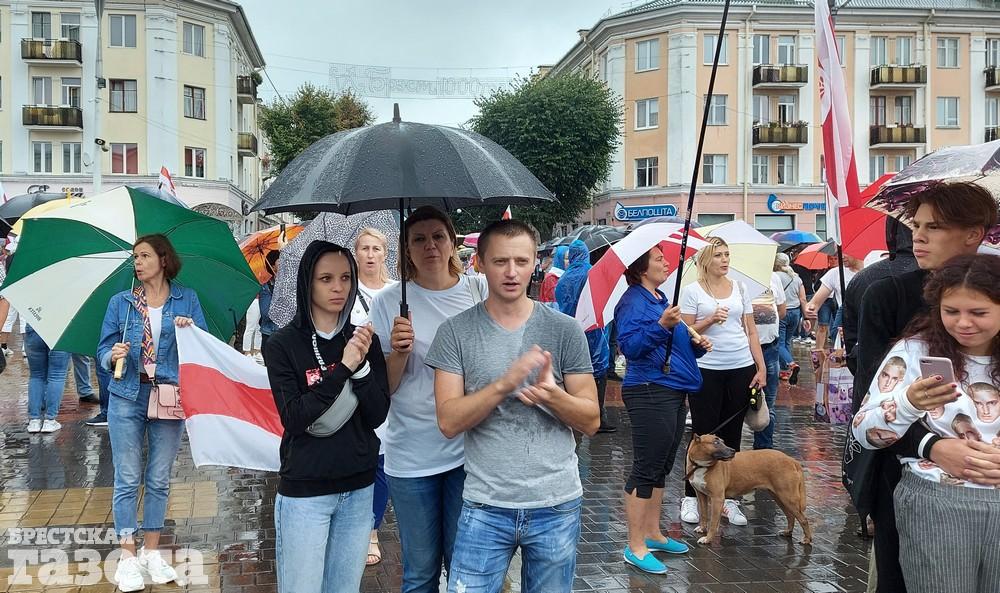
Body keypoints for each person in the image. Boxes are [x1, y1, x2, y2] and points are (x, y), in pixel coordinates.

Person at [426, 219, 599, 593]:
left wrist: (552, 396)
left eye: (521, 261)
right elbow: (448, 421)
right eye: (500, 261)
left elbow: (591, 420)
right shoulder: (455, 332)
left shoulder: (564, 329)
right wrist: (504, 385)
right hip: (485, 505)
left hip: (556, 503)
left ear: (535, 262)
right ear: (480, 263)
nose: (511, 272)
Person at [852, 181, 1000, 593]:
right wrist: (930, 445)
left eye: (933, 227)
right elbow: (868, 405)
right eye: (915, 225)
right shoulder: (893, 302)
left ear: (973, 233)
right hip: (914, 477)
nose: (916, 236)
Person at [368, 206, 488, 593]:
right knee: (419, 573)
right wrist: (398, 354)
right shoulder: (389, 302)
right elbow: (383, 390)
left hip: (469, 451)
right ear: (406, 249)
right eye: (418, 239)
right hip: (412, 454)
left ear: (452, 241)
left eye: (438, 236)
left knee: (463, 567)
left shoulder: (478, 292)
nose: (430, 246)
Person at [264, 240, 390, 593]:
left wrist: (361, 368)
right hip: (306, 492)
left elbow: (377, 414)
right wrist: (343, 368)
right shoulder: (282, 345)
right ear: (308, 282)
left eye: (346, 278)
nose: (338, 287)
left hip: (358, 489)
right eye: (326, 278)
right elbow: (294, 417)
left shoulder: (363, 339)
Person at [97, 234, 208, 592]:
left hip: (169, 393)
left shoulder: (187, 299)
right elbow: (101, 350)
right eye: (135, 257)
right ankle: (128, 557)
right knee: (128, 477)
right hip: (127, 395)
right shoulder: (122, 302)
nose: (138, 262)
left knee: (159, 477)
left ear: (163, 259)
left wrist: (191, 331)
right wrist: (112, 355)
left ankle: (151, 552)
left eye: (144, 256)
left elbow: (203, 347)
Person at [614, 245, 711, 574]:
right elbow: (631, 347)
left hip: (672, 389)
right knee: (646, 467)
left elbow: (671, 349)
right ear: (642, 268)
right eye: (658, 259)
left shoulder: (659, 299)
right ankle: (635, 546)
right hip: (648, 390)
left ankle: (653, 533)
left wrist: (697, 347)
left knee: (661, 466)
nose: (667, 263)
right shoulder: (633, 301)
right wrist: (661, 325)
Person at [678, 237, 766, 526]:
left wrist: (760, 367)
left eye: (727, 254)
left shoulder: (740, 288)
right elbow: (685, 332)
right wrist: (709, 320)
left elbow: (751, 331)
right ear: (706, 259)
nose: (725, 260)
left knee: (732, 433)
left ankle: (728, 497)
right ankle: (691, 496)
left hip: (740, 366)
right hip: (706, 367)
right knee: (703, 433)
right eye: (718, 255)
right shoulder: (692, 291)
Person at [349, 227, 399, 567]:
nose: (370, 254)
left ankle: (371, 530)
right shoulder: (346, 291)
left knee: (382, 460)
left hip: (390, 384)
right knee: (360, 456)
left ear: (385, 253)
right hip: (355, 386)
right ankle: (352, 524)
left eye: (376, 248)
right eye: (364, 248)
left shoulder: (398, 291)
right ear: (356, 253)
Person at [555, 239, 616, 433]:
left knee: (573, 373)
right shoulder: (593, 273)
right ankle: (598, 416)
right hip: (594, 332)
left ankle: (574, 414)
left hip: (571, 332)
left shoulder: (564, 278)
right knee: (598, 372)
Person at [750, 263, 786, 450]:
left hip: (770, 347)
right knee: (735, 403)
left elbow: (782, 310)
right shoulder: (731, 280)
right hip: (742, 351)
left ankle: (764, 449)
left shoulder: (774, 277)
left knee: (767, 404)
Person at [804, 255, 863, 349]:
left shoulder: (871, 270)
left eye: (845, 252)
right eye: (838, 252)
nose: (842, 256)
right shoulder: (835, 273)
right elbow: (815, 303)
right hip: (845, 325)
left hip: (867, 326)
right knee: (829, 329)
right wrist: (808, 312)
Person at [24, 324, 71, 433]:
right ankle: (50, 420)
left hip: (35, 325)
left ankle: (34, 420)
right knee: (57, 375)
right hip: (61, 327)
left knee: (36, 375)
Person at [775, 253, 806, 384]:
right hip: (796, 312)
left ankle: (791, 364)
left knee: (779, 343)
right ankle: (785, 370)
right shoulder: (796, 277)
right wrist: (806, 317)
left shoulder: (775, 277)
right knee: (787, 342)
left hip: (783, 312)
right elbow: (802, 298)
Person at [258, 250, 280, 362]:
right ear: (272, 266)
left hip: (289, 337)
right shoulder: (266, 288)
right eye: (280, 260)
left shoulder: (292, 285)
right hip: (271, 336)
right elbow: (266, 313)